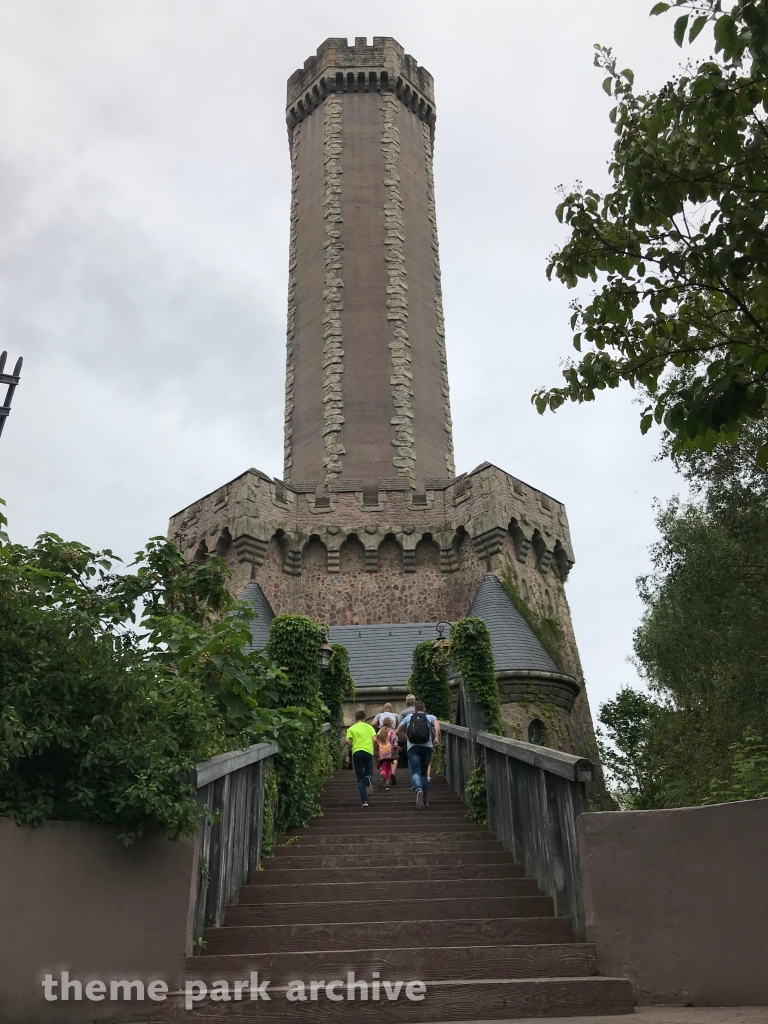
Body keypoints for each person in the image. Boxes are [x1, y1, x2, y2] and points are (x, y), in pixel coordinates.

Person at [397, 699, 440, 808]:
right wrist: (436, 738)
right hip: (427, 747)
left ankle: (418, 789)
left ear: (415, 710)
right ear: (424, 709)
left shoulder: (408, 717)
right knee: (424, 773)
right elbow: (437, 724)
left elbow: (398, 732)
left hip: (413, 747)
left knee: (415, 772)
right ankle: (425, 800)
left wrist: (407, 738)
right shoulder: (430, 717)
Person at [345, 709, 377, 807]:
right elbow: (375, 739)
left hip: (356, 752)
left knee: (359, 778)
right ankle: (368, 778)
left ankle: (365, 801)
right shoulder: (370, 727)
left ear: (355, 718)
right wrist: (373, 749)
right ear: (364, 718)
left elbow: (347, 741)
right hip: (368, 751)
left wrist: (353, 744)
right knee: (369, 772)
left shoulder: (351, 728)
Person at [372, 703, 400, 784]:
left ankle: (382, 771)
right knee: (395, 757)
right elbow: (401, 725)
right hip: (391, 742)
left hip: (382, 743)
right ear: (392, 709)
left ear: (383, 708)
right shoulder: (395, 715)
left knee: (383, 761)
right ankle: (393, 773)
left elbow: (373, 723)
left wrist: (378, 727)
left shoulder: (379, 715)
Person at [394, 694, 416, 781]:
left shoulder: (403, 713)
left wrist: (405, 738)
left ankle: (413, 778)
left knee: (410, 757)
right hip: (423, 738)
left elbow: (399, 727)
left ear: (406, 702)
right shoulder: (421, 712)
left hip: (409, 738)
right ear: (415, 701)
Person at [374, 723, 398, 789]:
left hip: (382, 756)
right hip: (389, 756)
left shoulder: (379, 741)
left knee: (383, 768)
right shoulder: (389, 742)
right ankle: (387, 785)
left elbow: (375, 744)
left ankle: (382, 775)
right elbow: (393, 744)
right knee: (389, 769)